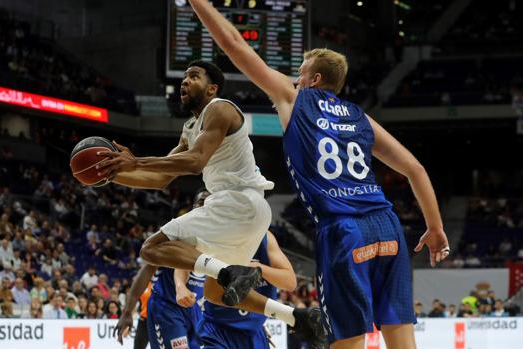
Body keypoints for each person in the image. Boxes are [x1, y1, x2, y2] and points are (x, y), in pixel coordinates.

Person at [188, 2, 450, 348]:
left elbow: (234, 44)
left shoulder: (295, 98)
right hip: (387, 225)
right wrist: (434, 227)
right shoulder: (360, 117)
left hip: (344, 230)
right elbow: (415, 169)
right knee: (401, 338)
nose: (295, 78)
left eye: (300, 72)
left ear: (314, 79)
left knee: (348, 340)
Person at [99, 60, 323, 345]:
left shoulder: (220, 108)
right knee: (217, 294)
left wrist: (135, 161)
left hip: (235, 202)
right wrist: (113, 176)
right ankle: (297, 318)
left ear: (212, 88)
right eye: (184, 77)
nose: (185, 81)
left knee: (152, 248)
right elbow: (161, 179)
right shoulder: (191, 126)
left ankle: (226, 272)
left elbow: (195, 162)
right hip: (248, 211)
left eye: (194, 76)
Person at [114, 190, 207, 349]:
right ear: (193, 206)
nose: (205, 205)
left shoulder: (219, 237)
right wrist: (128, 311)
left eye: (210, 202)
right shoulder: (177, 230)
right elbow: (147, 269)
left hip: (196, 311)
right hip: (167, 308)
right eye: (201, 201)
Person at [201, 230, 296, 349]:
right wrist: (180, 286)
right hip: (218, 331)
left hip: (254, 332)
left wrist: (256, 269)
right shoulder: (222, 237)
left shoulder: (265, 237)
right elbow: (211, 294)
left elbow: (290, 282)